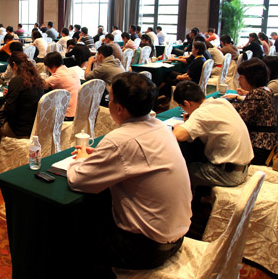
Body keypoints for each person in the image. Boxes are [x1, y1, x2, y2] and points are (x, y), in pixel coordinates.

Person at [67, 72, 191, 272]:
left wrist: (81, 159)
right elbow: (134, 159)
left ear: (119, 108)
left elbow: (77, 180)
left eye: (110, 99)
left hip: (145, 249)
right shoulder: (160, 127)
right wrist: (102, 157)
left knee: (72, 235)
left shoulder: (120, 139)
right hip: (177, 236)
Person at [172, 81, 253, 188]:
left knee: (179, 170)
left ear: (187, 103)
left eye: (181, 106)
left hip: (228, 175)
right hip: (243, 169)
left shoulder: (201, 113)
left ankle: (193, 199)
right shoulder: (222, 102)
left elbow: (178, 136)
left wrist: (177, 127)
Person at [0, 52, 45, 175]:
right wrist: (10, 95)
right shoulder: (38, 79)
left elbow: (10, 111)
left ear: (14, 65)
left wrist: (8, 99)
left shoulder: (17, 80)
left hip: (19, 129)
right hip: (34, 125)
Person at [225, 58, 278, 164]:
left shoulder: (257, 93)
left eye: (241, 77)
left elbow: (240, 118)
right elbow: (245, 107)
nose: (238, 80)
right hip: (268, 145)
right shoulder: (265, 90)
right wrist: (225, 105)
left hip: (260, 147)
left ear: (251, 78)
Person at [43, 52, 80, 120]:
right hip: (78, 110)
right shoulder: (72, 71)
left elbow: (41, 86)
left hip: (67, 113)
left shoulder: (57, 76)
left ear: (52, 66)